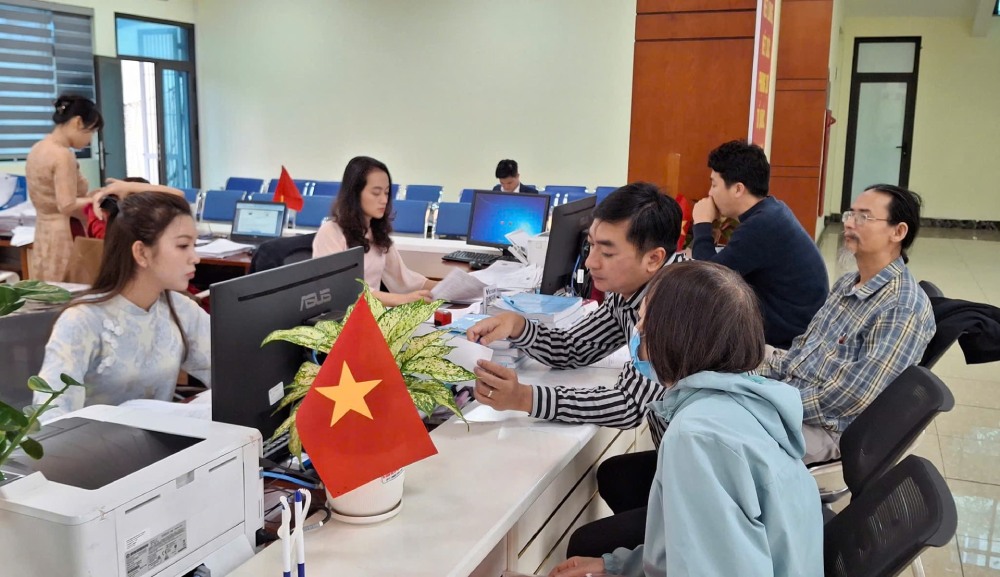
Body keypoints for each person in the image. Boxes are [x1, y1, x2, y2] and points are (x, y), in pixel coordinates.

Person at [549, 261, 823, 577]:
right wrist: (616, 566)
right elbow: (703, 547)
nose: (637, 335)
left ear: (674, 336)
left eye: (643, 324)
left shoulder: (697, 436)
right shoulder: (746, 400)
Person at [467, 183, 681, 442]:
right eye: (591, 246)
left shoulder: (675, 306)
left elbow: (629, 404)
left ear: (654, 259)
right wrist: (518, 326)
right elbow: (576, 347)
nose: (591, 262)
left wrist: (525, 398)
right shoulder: (629, 291)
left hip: (707, 469)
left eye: (608, 252)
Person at [760, 183, 935, 463]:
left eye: (863, 217)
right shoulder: (846, 284)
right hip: (796, 395)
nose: (850, 224)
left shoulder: (902, 307)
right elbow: (805, 351)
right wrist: (756, 370)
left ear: (898, 232)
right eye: (849, 215)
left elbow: (852, 397)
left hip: (831, 429)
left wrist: (771, 401)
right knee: (721, 370)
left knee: (722, 438)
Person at [35, 191, 210, 421]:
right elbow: (50, 418)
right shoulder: (82, 321)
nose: (195, 257)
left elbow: (230, 372)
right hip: (92, 452)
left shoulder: (181, 309)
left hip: (163, 446)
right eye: (183, 246)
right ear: (141, 252)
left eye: (194, 245)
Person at [692, 140, 828, 348]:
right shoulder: (772, 211)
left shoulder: (763, 224)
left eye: (714, 184)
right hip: (793, 326)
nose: (710, 193)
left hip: (787, 342)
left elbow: (707, 281)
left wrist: (701, 224)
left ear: (738, 189)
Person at [313, 156, 437, 306]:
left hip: (374, 317)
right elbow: (344, 290)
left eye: (386, 193)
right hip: (344, 321)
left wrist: (448, 287)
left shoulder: (376, 232)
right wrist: (403, 300)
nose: (384, 200)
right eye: (376, 193)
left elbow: (403, 279)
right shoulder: (331, 232)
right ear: (355, 194)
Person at [25, 94, 105, 282]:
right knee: (68, 292)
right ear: (78, 122)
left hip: (43, 233)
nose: (89, 139)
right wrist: (98, 198)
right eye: (91, 132)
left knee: (48, 290)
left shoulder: (37, 148)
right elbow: (67, 204)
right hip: (65, 235)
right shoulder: (63, 156)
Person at [83, 177, 185, 239]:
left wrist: (101, 194)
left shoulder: (96, 214)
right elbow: (179, 195)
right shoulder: (135, 229)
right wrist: (129, 186)